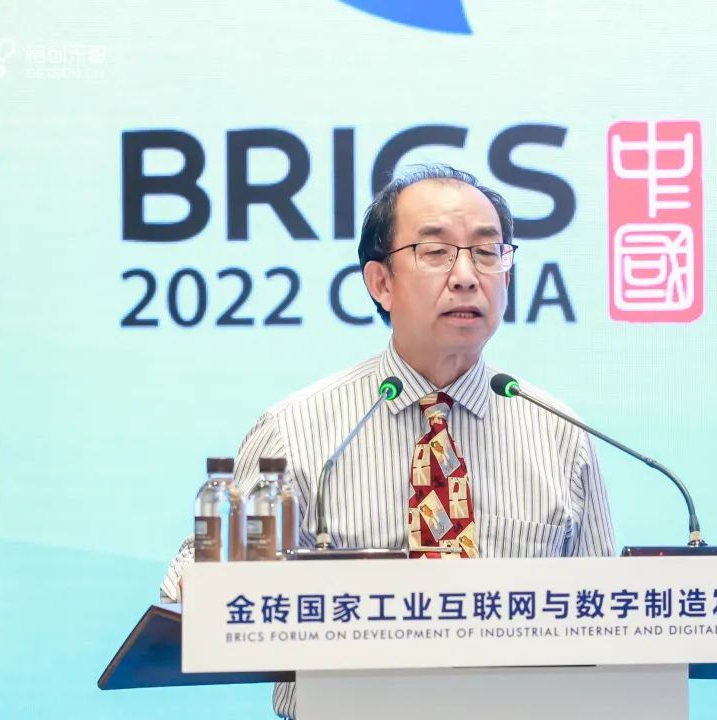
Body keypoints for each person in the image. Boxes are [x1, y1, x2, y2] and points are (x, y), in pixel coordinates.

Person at [160, 165, 615, 717]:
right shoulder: (296, 431)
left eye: (486, 252)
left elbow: (610, 623)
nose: (467, 276)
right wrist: (211, 583)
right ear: (380, 283)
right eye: (436, 252)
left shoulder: (559, 434)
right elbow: (197, 590)